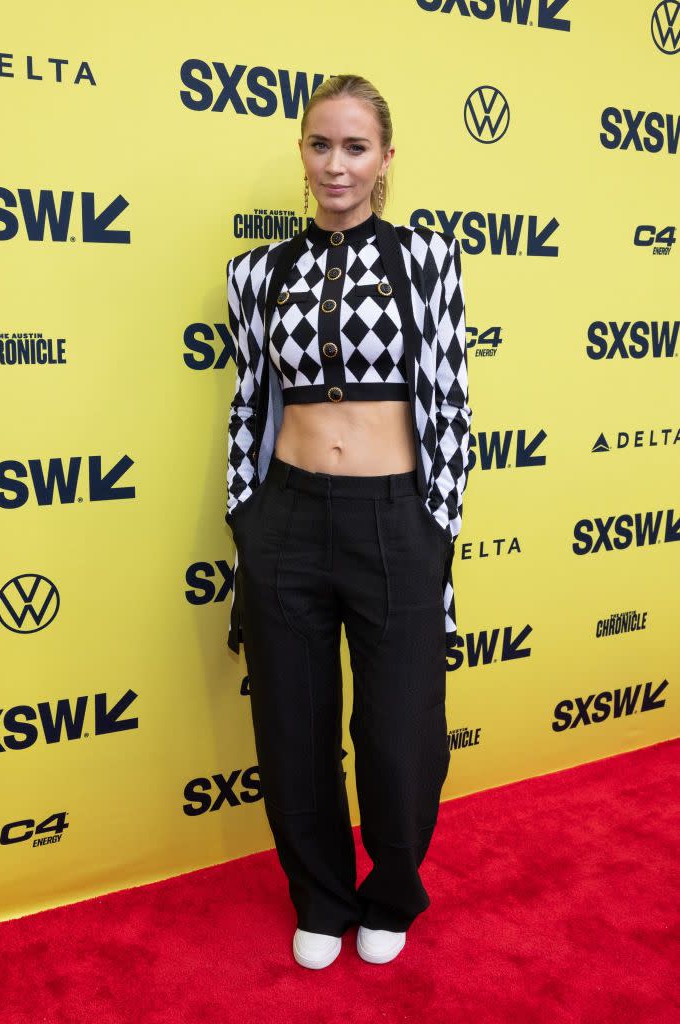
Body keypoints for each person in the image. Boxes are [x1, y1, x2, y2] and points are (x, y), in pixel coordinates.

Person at [224, 74, 472, 969]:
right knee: (291, 727)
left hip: (394, 520)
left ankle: (392, 891)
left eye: (355, 147)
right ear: (302, 151)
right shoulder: (257, 273)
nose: (336, 164)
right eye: (320, 144)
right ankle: (320, 897)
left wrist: (435, 531)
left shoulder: (425, 260)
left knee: (399, 728)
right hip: (284, 518)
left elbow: (447, 402)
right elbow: (251, 403)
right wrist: (244, 516)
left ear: (384, 160)